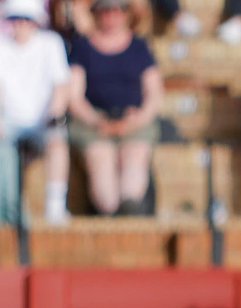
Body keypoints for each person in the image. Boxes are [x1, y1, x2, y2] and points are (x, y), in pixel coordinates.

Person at [67, 0, 162, 216]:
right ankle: (111, 215)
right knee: (104, 179)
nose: (112, 16)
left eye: (118, 10)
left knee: (134, 163)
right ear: (97, 13)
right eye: (106, 10)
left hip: (133, 121)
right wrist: (97, 121)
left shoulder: (139, 47)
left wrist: (137, 120)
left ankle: (131, 212)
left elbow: (154, 94)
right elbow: (74, 97)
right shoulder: (83, 47)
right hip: (94, 123)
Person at [0, 0, 71, 225]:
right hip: (8, 124)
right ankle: (9, 210)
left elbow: (61, 87)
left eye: (26, 19)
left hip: (43, 122)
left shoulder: (51, 44)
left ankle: (55, 207)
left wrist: (54, 117)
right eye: (15, 19)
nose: (20, 25)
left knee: (57, 139)